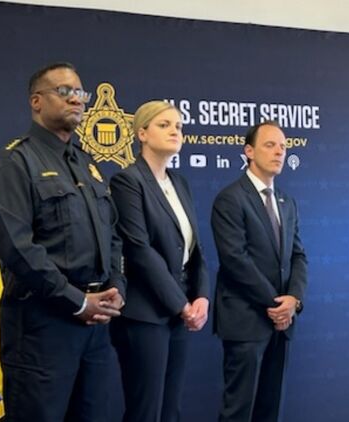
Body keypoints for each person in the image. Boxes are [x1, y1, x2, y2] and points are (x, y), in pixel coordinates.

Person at [0, 62, 125, 421]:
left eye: (80, 92)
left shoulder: (86, 163)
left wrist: (115, 287)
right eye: (64, 91)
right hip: (42, 326)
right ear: (36, 101)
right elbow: (16, 247)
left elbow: (112, 235)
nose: (76, 99)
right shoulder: (15, 162)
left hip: (94, 327)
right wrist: (76, 301)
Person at [109, 100, 209, 422]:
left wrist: (202, 296)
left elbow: (193, 248)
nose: (174, 131)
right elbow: (139, 250)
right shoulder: (127, 181)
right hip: (145, 314)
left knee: (170, 411)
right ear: (142, 133)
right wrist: (182, 305)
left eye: (178, 126)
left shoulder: (180, 183)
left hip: (179, 313)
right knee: (146, 412)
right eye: (164, 125)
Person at [211, 121, 308, 422]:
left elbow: (298, 256)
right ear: (249, 151)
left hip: (282, 321)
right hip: (246, 320)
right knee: (238, 411)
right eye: (270, 145)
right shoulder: (230, 198)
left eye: (283, 146)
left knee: (270, 409)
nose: (279, 151)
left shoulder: (287, 202)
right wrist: (276, 305)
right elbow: (235, 260)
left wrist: (293, 300)